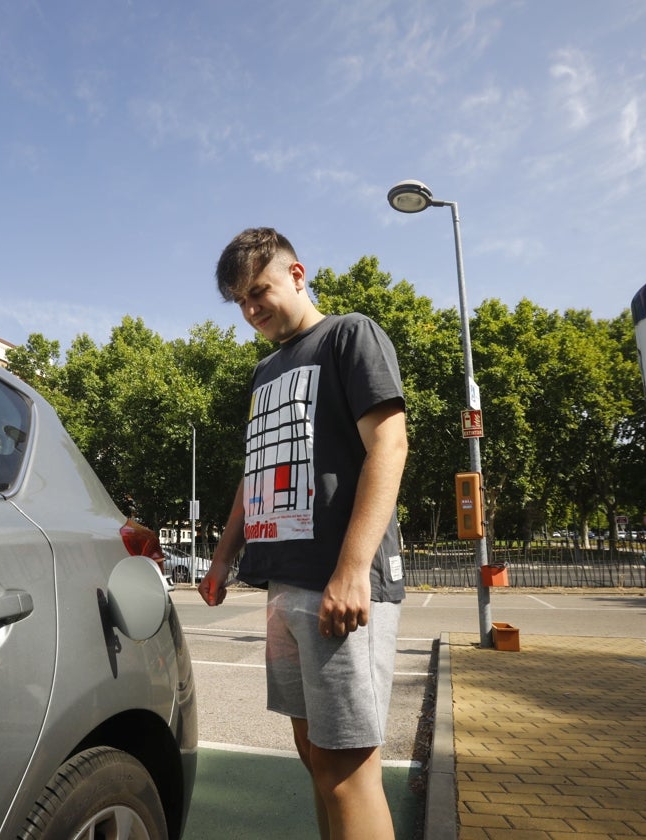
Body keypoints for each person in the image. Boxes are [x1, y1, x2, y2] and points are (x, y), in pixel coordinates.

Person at [199, 228, 408, 840]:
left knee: (347, 769)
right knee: (316, 759)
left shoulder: (350, 334)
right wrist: (220, 559)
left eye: (258, 290)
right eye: (239, 300)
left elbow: (389, 446)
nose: (250, 308)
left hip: (337, 586)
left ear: (297, 275)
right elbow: (255, 470)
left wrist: (350, 571)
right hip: (282, 585)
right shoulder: (265, 370)